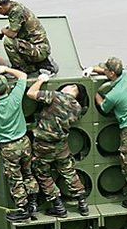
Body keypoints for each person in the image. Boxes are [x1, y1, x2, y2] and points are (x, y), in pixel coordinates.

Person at [86, 57, 127, 210]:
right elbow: (108, 71)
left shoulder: (114, 95)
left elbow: (104, 107)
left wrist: (96, 95)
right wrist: (93, 68)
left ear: (111, 73)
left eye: (105, 70)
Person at [25, 73, 89, 217]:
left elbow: (31, 93)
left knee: (43, 174)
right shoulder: (77, 108)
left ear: (72, 87)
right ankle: (82, 203)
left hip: (43, 145)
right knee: (69, 171)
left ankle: (58, 206)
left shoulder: (55, 96)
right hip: (61, 146)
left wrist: (41, 80)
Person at [0, 65, 39, 222]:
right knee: (28, 172)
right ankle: (33, 202)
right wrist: (5, 68)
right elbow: (23, 76)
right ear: (7, 87)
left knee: (15, 178)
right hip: (24, 142)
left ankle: (23, 208)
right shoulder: (15, 97)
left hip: (9, 147)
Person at [0, 0, 56, 74]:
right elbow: (16, 26)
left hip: (39, 50)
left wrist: (3, 31)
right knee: (13, 38)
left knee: (8, 42)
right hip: (39, 46)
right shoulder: (15, 6)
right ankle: (36, 63)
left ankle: (22, 69)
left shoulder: (15, 12)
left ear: (0, 8)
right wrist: (6, 30)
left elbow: (12, 34)